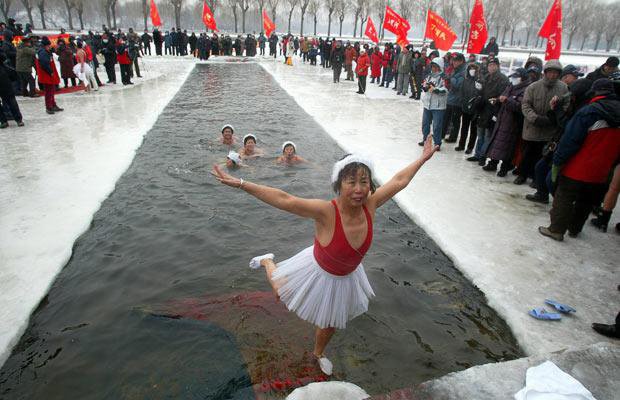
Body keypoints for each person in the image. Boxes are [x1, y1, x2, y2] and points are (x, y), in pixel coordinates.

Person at [211, 137, 438, 375]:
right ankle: (267, 260)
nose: (359, 189)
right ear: (339, 185)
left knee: (330, 323)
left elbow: (399, 180)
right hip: (319, 267)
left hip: (346, 275)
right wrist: (241, 183)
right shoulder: (326, 212)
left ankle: (317, 353)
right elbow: (284, 199)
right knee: (280, 292)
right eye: (351, 182)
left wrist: (421, 159)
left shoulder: (371, 205)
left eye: (364, 181)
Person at [538, 78, 620, 241]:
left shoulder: (589, 111)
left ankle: (556, 229)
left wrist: (558, 160)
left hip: (578, 165)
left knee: (564, 196)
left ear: (595, 92)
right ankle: (575, 228)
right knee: (586, 200)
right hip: (603, 169)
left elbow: (570, 139)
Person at [517, 60, 569, 185]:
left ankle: (536, 178)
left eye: (555, 73)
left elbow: (567, 105)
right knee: (527, 153)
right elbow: (526, 105)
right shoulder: (533, 87)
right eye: (550, 72)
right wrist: (534, 118)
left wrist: (555, 116)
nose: (552, 75)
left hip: (550, 128)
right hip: (532, 126)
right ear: (545, 73)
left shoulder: (563, 88)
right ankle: (522, 174)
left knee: (543, 155)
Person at [483, 68, 531, 176]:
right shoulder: (510, 86)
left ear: (522, 78)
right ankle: (493, 162)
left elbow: (520, 106)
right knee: (497, 143)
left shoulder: (526, 90)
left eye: (516, 77)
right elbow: (503, 97)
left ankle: (504, 167)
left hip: (513, 122)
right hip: (502, 119)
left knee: (509, 146)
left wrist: (506, 100)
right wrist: (497, 100)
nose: (513, 79)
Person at [467, 58, 509, 164]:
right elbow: (480, 92)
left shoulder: (503, 79)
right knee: (480, 134)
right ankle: (477, 154)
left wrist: (496, 100)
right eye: (490, 65)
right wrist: (479, 91)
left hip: (492, 110)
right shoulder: (485, 77)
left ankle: (483, 156)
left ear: (498, 66)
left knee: (488, 136)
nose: (491, 67)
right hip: (482, 109)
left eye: (494, 65)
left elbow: (503, 94)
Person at [419, 61, 447, 148]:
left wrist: (436, 90)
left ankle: (437, 143)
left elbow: (446, 90)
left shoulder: (443, 77)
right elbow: (424, 84)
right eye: (432, 66)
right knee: (425, 124)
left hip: (438, 106)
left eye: (435, 66)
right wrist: (425, 86)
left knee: (437, 126)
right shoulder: (429, 76)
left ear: (440, 67)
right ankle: (425, 140)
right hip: (427, 104)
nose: (433, 68)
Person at [456, 62, 482, 153]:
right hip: (465, 107)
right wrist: (463, 102)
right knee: (464, 127)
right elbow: (461, 92)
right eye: (470, 69)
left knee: (473, 130)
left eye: (473, 69)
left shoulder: (479, 81)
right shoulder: (465, 80)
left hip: (475, 109)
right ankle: (461, 144)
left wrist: (476, 104)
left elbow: (480, 94)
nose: (472, 70)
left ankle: (470, 147)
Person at [35, 36, 63, 115]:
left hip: (47, 74)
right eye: (49, 46)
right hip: (46, 75)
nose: (50, 47)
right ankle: (49, 106)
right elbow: (44, 63)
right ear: (46, 45)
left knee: (51, 90)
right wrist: (50, 71)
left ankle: (53, 104)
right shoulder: (43, 52)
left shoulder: (44, 51)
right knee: (48, 91)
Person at [444, 53, 466, 143]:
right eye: (453, 60)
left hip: (458, 100)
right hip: (451, 97)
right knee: (446, 118)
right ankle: (442, 133)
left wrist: (451, 78)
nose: (454, 62)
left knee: (455, 120)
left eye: (456, 61)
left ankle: (453, 137)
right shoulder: (455, 69)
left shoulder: (464, 71)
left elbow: (458, 85)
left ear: (461, 61)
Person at [0, 51, 24, 128]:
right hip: (3, 76)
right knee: (11, 99)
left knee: (10, 99)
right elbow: (3, 56)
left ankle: (15, 119)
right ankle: (5, 120)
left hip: (2, 77)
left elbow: (3, 56)